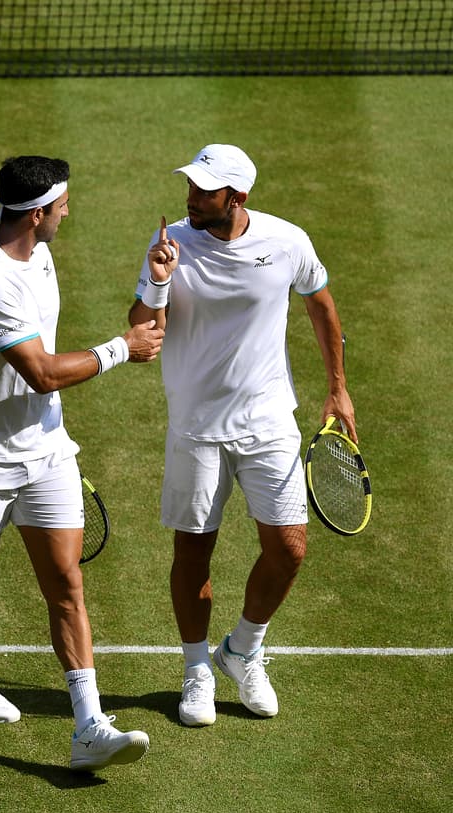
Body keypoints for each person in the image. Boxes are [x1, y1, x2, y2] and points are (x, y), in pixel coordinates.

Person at [0, 155, 163, 771]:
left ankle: (89, 725)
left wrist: (157, 283)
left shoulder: (39, 253)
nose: (68, 213)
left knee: (66, 584)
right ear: (37, 213)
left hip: (46, 454)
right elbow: (39, 373)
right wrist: (122, 349)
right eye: (63, 206)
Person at [129, 144, 356, 727]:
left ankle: (244, 649)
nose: (192, 198)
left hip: (269, 421)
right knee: (193, 552)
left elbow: (322, 308)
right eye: (191, 186)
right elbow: (142, 335)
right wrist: (157, 282)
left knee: (289, 548)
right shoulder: (171, 244)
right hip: (196, 428)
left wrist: (338, 388)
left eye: (206, 190)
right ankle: (196, 669)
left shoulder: (287, 242)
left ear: (238, 197)